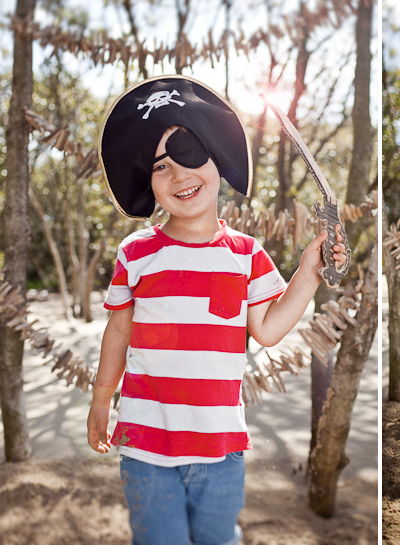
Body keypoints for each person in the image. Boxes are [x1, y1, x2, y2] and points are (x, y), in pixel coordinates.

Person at [86, 75, 347, 545]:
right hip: (146, 443)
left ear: (217, 160)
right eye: (160, 166)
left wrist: (309, 270)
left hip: (220, 446)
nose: (179, 175)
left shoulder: (247, 254)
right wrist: (101, 399)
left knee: (217, 539)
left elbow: (267, 329)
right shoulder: (136, 253)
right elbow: (118, 332)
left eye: (189, 154)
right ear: (147, 182)